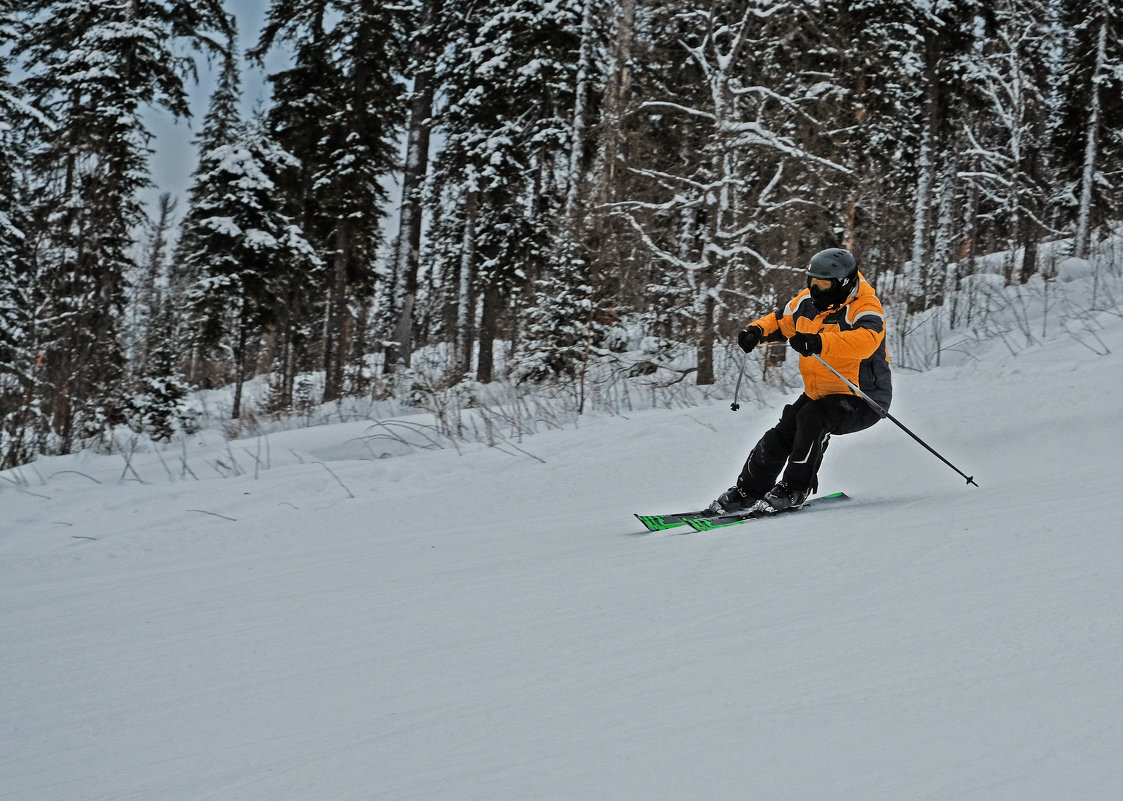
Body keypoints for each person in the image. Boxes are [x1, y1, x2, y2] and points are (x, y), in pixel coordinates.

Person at [709, 247, 892, 514]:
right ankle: (747, 491)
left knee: (812, 419)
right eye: (812, 282)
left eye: (823, 284)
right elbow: (781, 321)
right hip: (821, 392)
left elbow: (865, 342)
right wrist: (756, 331)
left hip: (862, 397)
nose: (815, 289)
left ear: (842, 283)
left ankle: (794, 489)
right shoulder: (808, 302)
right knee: (782, 433)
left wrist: (819, 342)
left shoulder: (865, 306)